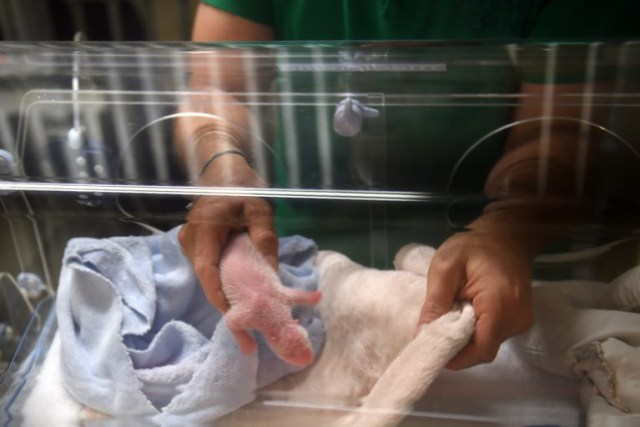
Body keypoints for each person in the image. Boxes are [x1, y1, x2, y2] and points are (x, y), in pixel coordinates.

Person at [176, 0, 640, 369]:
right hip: (297, 253)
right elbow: (217, 86)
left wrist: (508, 228)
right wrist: (223, 167)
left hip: (485, 273)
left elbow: (558, 129)